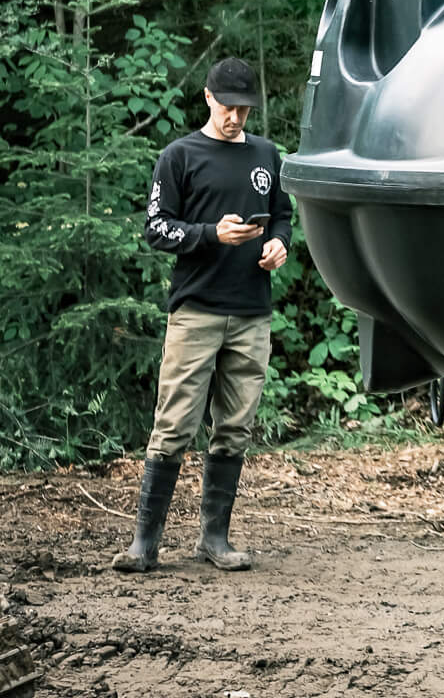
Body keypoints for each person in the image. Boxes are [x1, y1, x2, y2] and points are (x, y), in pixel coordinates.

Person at [114, 57, 291, 574]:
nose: (236, 117)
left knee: (234, 428)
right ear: (207, 97)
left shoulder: (265, 154)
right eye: (227, 106)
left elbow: (281, 213)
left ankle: (215, 538)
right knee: (173, 425)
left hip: (252, 311)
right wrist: (212, 234)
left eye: (244, 108)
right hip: (196, 310)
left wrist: (279, 242)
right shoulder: (179, 156)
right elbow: (156, 228)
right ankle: (144, 544)